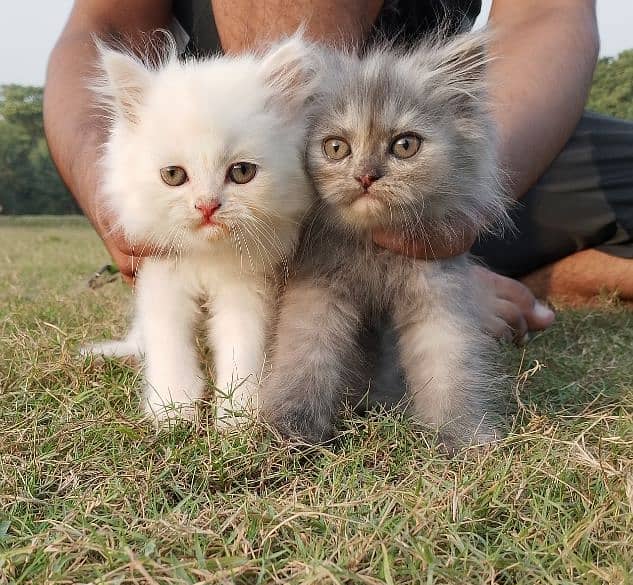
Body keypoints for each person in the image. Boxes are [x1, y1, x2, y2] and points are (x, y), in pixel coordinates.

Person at [44, 0, 633, 343]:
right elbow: (105, 27)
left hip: (429, 144)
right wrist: (119, 193)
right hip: (244, 164)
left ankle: (445, 277)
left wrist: (467, 197)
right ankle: (302, 280)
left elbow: (547, 15)